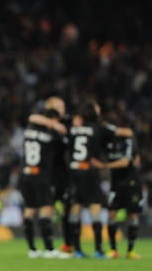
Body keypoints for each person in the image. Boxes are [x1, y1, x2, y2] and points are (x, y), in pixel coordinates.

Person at [68, 100, 132, 259]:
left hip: (74, 170)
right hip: (89, 171)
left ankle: (76, 250)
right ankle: (97, 250)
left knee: (75, 208)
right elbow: (126, 133)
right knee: (95, 208)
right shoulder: (98, 128)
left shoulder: (73, 129)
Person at [18, 103, 68, 259]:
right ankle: (49, 249)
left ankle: (32, 249)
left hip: (25, 173)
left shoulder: (29, 130)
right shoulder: (52, 136)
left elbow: (32, 117)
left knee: (29, 210)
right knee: (46, 209)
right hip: (41, 175)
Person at [91, 121, 143, 260]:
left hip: (132, 183)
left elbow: (125, 162)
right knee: (111, 214)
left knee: (132, 215)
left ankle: (131, 250)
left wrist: (103, 165)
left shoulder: (128, 141)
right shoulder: (107, 143)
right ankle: (113, 249)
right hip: (116, 184)